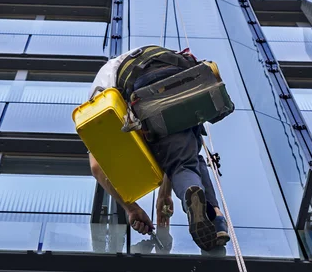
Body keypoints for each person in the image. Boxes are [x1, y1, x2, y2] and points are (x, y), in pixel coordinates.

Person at [88, 45, 230, 252]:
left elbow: (96, 168)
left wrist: (132, 208)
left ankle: (200, 202)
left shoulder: (98, 98)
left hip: (146, 91)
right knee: (187, 158)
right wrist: (164, 197)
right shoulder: (143, 55)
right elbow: (171, 156)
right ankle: (215, 218)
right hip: (184, 80)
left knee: (182, 163)